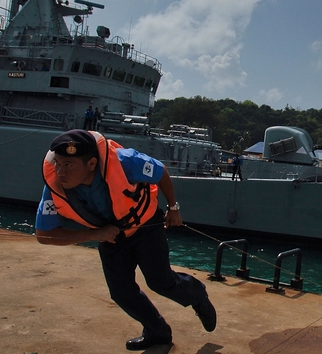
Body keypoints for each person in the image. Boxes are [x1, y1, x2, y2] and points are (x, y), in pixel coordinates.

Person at [34, 129, 216, 350]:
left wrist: (173, 207)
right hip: (110, 236)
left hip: (145, 226)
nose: (60, 172)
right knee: (121, 292)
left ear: (91, 164)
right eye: (58, 163)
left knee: (161, 282)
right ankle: (157, 332)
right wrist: (94, 235)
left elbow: (160, 172)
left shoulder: (124, 162)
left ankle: (197, 294)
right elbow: (45, 235)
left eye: (69, 165)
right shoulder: (54, 185)